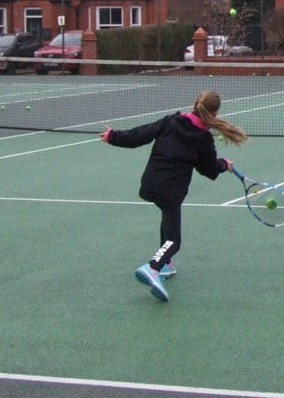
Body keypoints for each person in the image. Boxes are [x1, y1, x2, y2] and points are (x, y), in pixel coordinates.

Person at [101, 90, 248, 302]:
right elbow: (208, 170)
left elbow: (140, 135)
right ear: (215, 113)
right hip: (171, 190)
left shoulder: (171, 120)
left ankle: (166, 265)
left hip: (150, 184)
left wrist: (113, 136)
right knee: (174, 240)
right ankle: (153, 267)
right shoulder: (203, 138)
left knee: (167, 219)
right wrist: (223, 164)